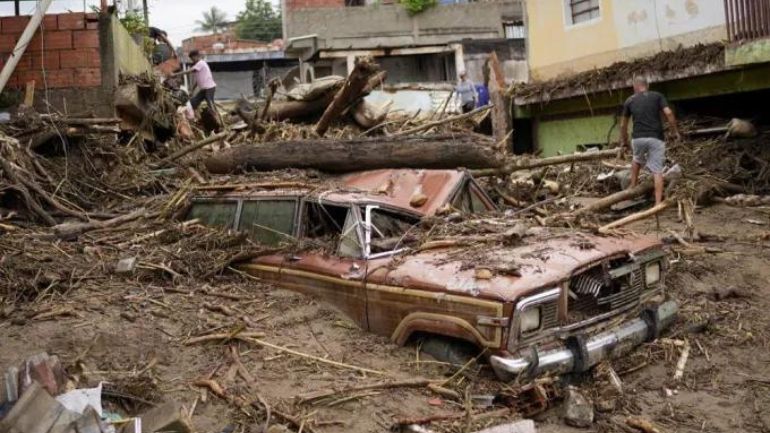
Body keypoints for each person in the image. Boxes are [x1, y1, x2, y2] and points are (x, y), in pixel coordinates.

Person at [620, 76, 681, 205]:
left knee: (636, 159)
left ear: (635, 87)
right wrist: (674, 132)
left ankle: (633, 185)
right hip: (656, 137)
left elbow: (623, 125)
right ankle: (657, 204)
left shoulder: (630, 100)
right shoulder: (657, 96)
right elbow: (669, 113)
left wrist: (624, 141)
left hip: (638, 138)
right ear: (647, 85)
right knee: (657, 171)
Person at [171, 50, 217, 116]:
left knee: (209, 101)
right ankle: (193, 115)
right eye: (191, 59)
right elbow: (198, 81)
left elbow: (189, 71)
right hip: (204, 89)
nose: (192, 60)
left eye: (192, 58)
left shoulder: (201, 63)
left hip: (209, 88)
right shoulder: (198, 65)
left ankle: (215, 116)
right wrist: (192, 90)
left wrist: (175, 74)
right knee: (194, 102)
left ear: (196, 56)